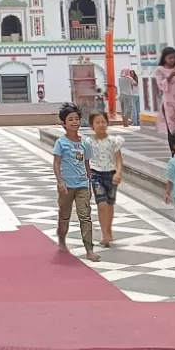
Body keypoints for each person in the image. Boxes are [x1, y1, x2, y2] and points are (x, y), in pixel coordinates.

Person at [52, 102, 99, 261]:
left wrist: (89, 179)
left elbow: (87, 163)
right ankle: (62, 240)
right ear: (64, 123)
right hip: (66, 185)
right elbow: (57, 163)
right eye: (70, 119)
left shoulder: (85, 142)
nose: (74, 122)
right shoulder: (61, 143)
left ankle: (89, 249)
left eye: (76, 119)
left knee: (85, 216)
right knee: (64, 215)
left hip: (82, 185)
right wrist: (60, 182)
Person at [87, 109, 122, 247]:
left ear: (107, 123)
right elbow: (85, 159)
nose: (101, 124)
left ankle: (109, 229)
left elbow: (119, 160)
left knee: (110, 204)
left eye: (103, 121)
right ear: (92, 125)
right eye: (97, 122)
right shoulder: (88, 142)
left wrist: (118, 173)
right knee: (101, 205)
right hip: (96, 175)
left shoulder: (114, 141)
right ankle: (104, 234)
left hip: (111, 174)